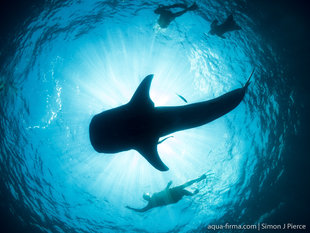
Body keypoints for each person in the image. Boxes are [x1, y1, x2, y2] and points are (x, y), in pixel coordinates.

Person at [126, 173, 207, 212]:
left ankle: (198, 179)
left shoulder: (154, 195)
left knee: (183, 186)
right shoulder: (150, 204)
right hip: (172, 198)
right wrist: (130, 208)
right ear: (146, 198)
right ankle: (193, 193)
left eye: (147, 194)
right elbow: (142, 210)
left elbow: (164, 192)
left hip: (171, 193)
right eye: (146, 196)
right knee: (183, 191)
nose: (147, 195)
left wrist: (168, 185)